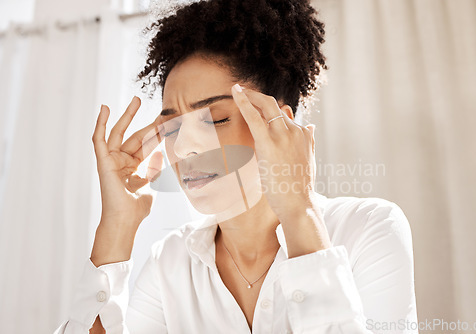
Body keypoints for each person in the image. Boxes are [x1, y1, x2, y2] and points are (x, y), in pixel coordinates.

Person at [54, 0, 418, 333]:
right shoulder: (170, 264)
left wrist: (297, 209)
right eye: (173, 125)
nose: (184, 147)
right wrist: (116, 227)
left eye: (214, 118)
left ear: (277, 122)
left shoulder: (368, 230)